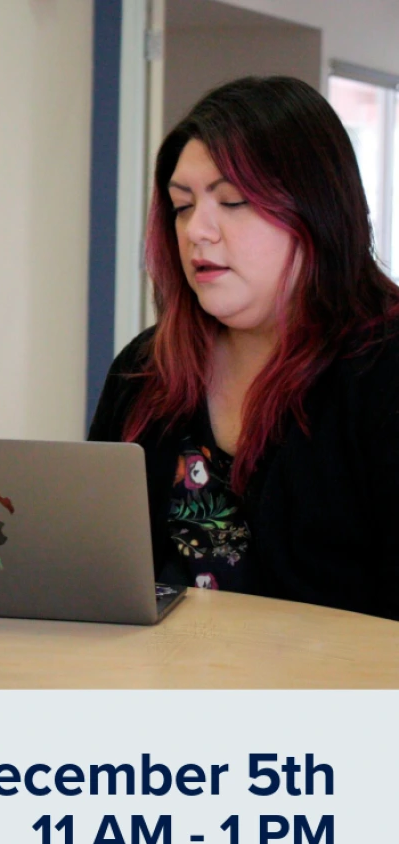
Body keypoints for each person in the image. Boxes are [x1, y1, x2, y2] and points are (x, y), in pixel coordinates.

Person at [89, 76, 399, 621]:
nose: (197, 231)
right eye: (182, 206)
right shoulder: (146, 369)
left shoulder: (384, 368)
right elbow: (91, 563)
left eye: (232, 201)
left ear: (317, 210)